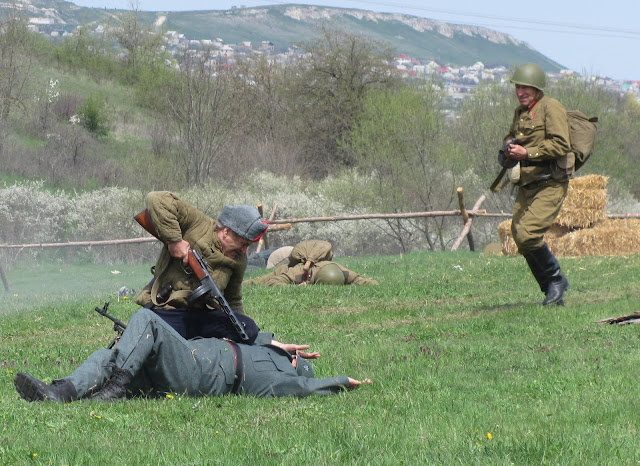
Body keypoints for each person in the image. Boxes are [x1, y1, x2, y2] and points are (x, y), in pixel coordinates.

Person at [14, 308, 371, 402]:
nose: (295, 356)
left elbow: (304, 390)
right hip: (182, 363)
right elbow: (248, 332)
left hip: (197, 373)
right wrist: (275, 343)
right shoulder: (266, 351)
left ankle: (116, 387)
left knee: (146, 322)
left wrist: (341, 382)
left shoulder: (276, 377)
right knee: (106, 355)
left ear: (295, 369)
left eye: (296, 361)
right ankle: (61, 392)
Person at [134, 191, 269, 342]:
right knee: (164, 331)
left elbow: (233, 299)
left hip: (199, 316)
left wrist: (241, 327)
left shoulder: (239, 260)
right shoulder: (198, 224)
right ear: (226, 232)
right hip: (166, 311)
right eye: (243, 244)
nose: (244, 251)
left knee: (248, 329)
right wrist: (174, 241)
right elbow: (156, 199)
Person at [501, 63, 572, 305]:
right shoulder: (520, 112)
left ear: (537, 88)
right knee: (519, 237)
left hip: (550, 183)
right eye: (518, 87)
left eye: (526, 88)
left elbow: (562, 144)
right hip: (527, 183)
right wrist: (508, 147)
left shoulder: (551, 108)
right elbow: (512, 136)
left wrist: (527, 153)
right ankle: (552, 292)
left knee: (529, 234)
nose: (521, 92)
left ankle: (556, 280)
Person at [243, 240, 378, 286]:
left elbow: (361, 280)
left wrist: (374, 283)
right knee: (258, 277)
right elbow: (272, 282)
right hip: (282, 258)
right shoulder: (298, 271)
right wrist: (295, 288)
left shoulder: (340, 271)